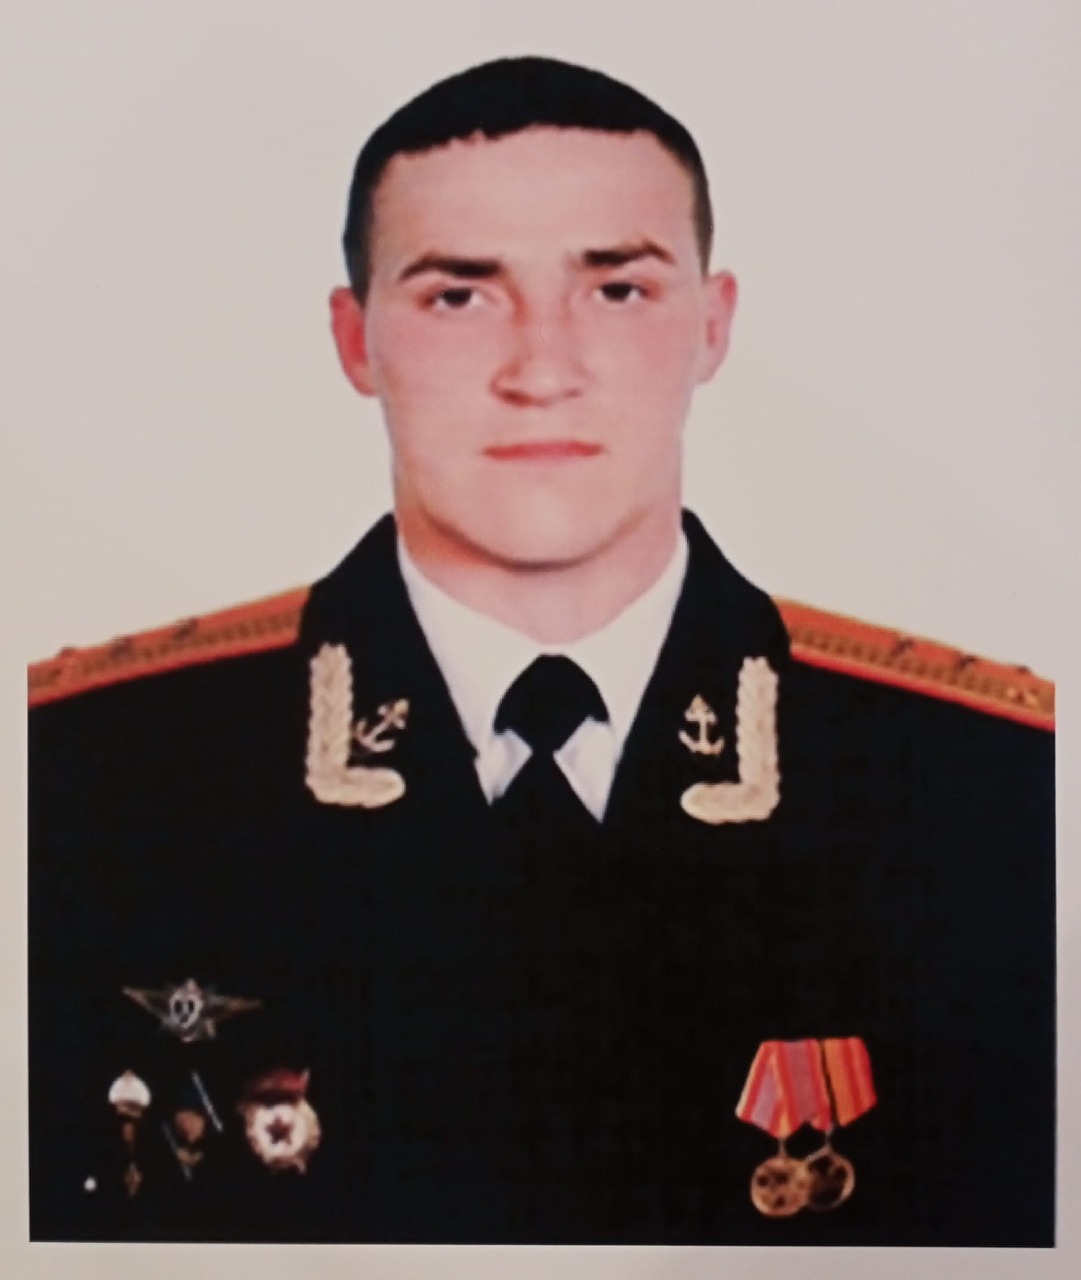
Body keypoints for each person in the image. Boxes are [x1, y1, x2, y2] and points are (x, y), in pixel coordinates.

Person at [27, 56, 1055, 1245]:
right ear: (355, 339)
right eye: (459, 296)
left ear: (712, 325)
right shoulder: (82, 778)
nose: (541, 370)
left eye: (616, 290)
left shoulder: (990, 788)